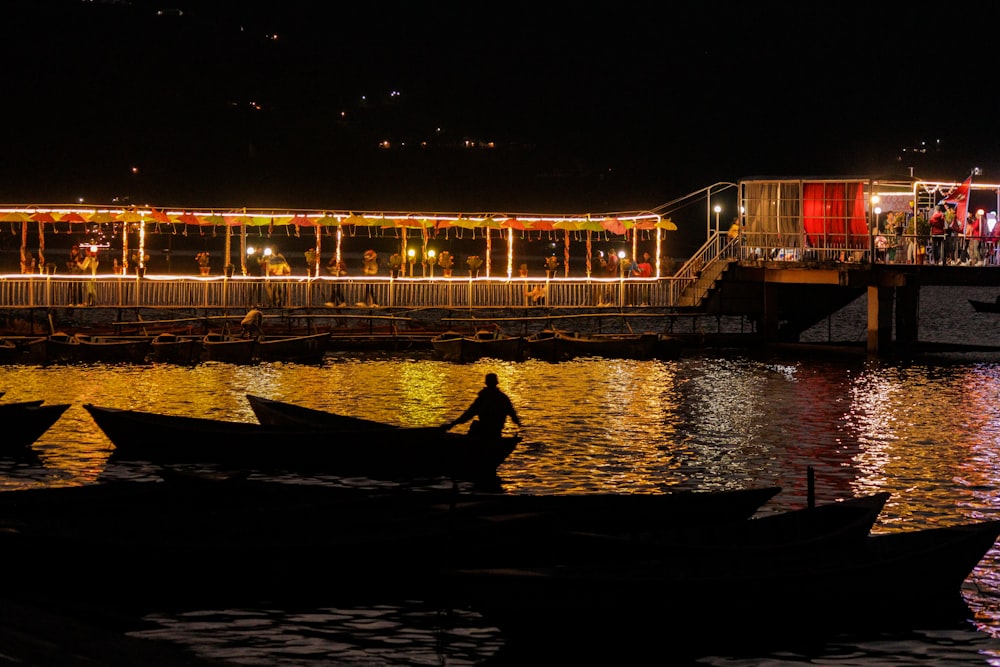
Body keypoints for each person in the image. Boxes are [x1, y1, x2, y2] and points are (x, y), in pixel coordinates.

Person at [442, 372, 521, 439]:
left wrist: (452, 424)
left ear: (486, 383)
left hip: (486, 430)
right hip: (496, 431)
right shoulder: (503, 398)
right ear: (496, 383)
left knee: (475, 426)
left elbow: (469, 414)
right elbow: (513, 415)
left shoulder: (484, 398)